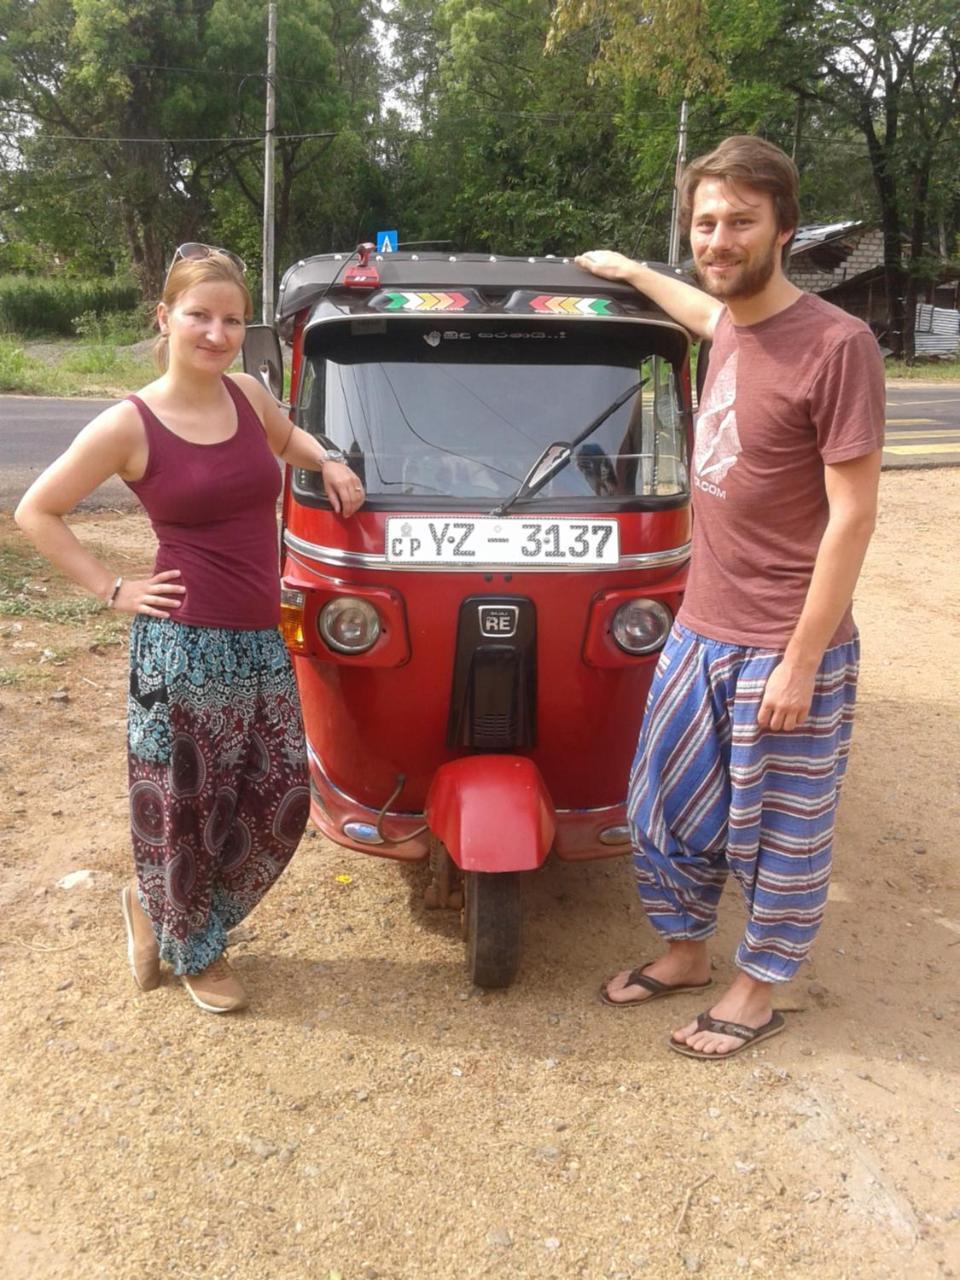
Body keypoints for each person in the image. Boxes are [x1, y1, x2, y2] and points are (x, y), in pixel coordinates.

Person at [575, 135, 885, 1059]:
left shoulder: (839, 345)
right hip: (700, 631)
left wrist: (800, 659)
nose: (719, 238)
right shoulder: (732, 326)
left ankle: (757, 991)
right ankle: (685, 955)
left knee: (781, 831)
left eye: (740, 221)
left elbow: (854, 517)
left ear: (783, 229)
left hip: (787, 645)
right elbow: (702, 310)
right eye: (705, 222)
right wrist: (631, 267)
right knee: (664, 807)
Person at [15, 244, 365, 1014]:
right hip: (183, 647)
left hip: (258, 639)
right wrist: (114, 588)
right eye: (200, 315)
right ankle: (193, 945)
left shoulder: (246, 394)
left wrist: (328, 461)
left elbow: (284, 440)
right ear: (165, 317)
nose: (217, 332)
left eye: (233, 319)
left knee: (279, 798)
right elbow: (35, 511)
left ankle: (158, 906)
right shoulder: (129, 424)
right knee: (189, 807)